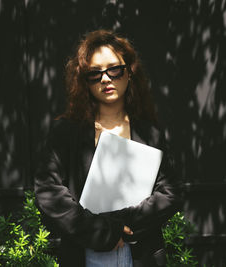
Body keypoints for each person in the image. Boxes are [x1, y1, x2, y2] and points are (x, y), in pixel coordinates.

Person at [34, 29, 178, 267]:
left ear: (129, 72)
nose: (105, 78)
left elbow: (171, 192)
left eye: (114, 69)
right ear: (84, 81)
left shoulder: (150, 132)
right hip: (84, 254)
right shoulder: (65, 132)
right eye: (94, 73)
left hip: (141, 254)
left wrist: (122, 225)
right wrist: (100, 230)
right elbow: (48, 192)